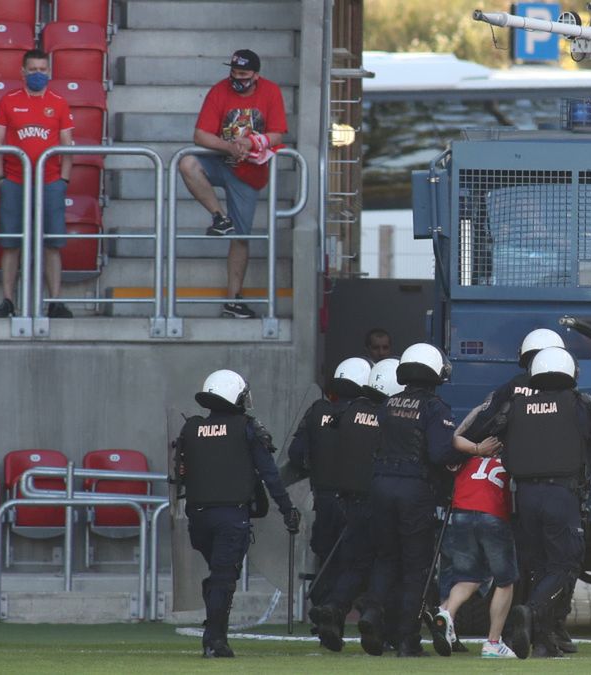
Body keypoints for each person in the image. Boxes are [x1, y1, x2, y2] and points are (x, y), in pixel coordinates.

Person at [357, 343, 478, 657]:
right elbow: (439, 453)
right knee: (416, 567)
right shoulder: (435, 408)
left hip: (380, 485)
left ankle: (372, 612)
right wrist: (465, 454)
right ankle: (407, 639)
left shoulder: (389, 403)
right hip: (414, 489)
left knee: (385, 558)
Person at [173, 369, 301, 658]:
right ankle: (215, 640)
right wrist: (287, 508)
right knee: (224, 577)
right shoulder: (247, 427)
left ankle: (214, 610)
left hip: (198, 516)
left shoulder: (190, 428)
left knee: (219, 575)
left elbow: (179, 474)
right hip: (231, 516)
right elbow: (269, 474)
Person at [499, 347, 591, 659]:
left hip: (524, 496)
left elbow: (494, 437)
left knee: (538, 566)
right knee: (564, 565)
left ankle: (543, 641)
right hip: (560, 495)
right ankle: (531, 611)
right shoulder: (578, 405)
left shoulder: (516, 404)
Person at [179, 49, 287, 319]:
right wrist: (229, 147)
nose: (237, 78)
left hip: (250, 170)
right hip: (220, 161)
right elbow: (200, 135)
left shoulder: (271, 91)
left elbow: (277, 133)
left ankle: (233, 300)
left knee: (241, 237)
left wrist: (251, 142)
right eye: (234, 72)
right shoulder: (220, 90)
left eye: (243, 74)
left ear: (255, 75)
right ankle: (219, 216)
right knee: (187, 163)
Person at [286, 357, 380, 652]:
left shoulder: (317, 411)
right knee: (363, 561)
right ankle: (364, 616)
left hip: (324, 500)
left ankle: (328, 617)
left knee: (327, 560)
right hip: (359, 499)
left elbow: (296, 454)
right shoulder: (372, 414)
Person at [0, 49, 75, 319]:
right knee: (11, 243)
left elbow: (67, 145)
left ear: (49, 72)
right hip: (15, 181)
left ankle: (55, 302)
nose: (38, 74)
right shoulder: (9, 100)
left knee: (52, 243)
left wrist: (64, 179)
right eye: (33, 69)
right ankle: (8, 301)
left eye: (42, 69)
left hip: (50, 181)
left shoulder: (59, 102)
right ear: (23, 72)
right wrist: (0, 179)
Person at [429, 430, 517, 659]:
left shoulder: (467, 458)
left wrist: (474, 448)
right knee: (505, 581)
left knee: (467, 578)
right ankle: (493, 643)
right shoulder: (510, 459)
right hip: (493, 514)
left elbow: (452, 441)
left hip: (461, 514)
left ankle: (446, 613)